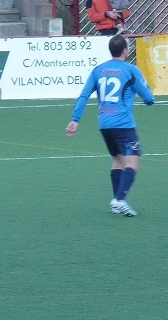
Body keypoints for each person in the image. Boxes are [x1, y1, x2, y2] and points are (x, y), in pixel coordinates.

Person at [65, 34, 155, 217]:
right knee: (133, 162)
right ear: (125, 51)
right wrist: (148, 99)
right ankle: (120, 200)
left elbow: (83, 95)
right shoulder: (131, 70)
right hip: (123, 124)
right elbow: (149, 98)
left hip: (104, 124)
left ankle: (116, 203)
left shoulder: (98, 70)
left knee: (118, 161)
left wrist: (75, 119)